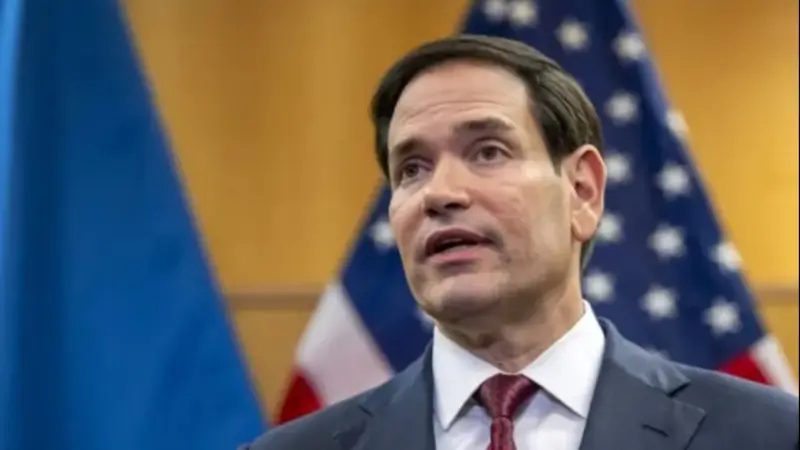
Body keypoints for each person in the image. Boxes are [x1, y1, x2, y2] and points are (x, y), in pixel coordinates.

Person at [239, 35, 798, 450]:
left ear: (582, 191)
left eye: (488, 152)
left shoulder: (768, 435)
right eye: (411, 169)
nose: (440, 193)